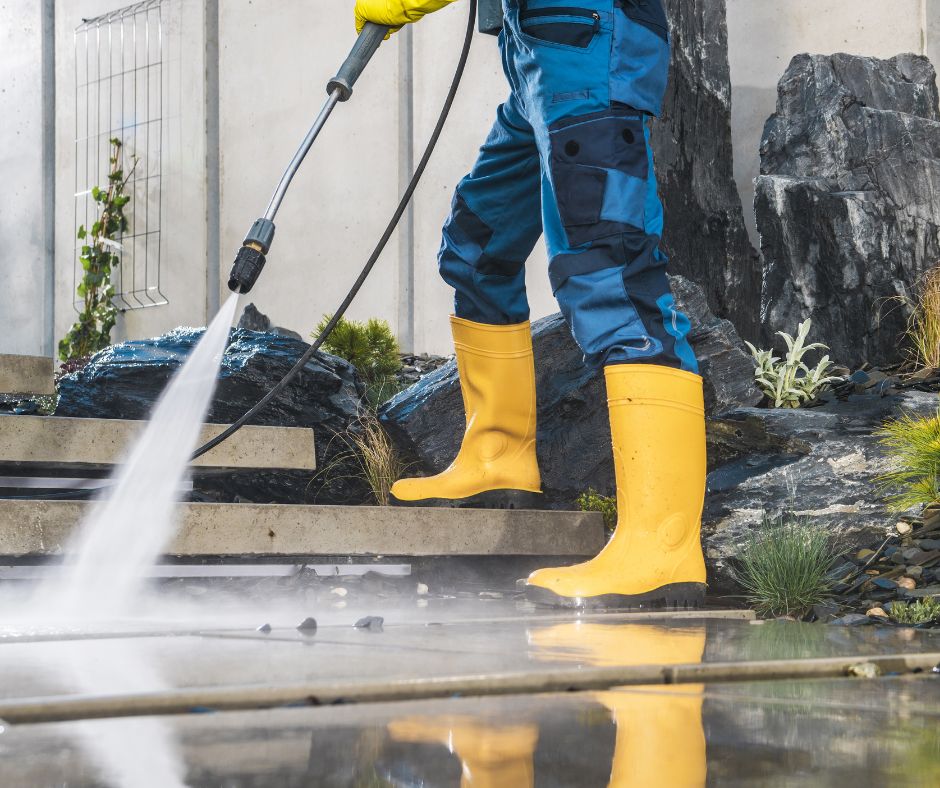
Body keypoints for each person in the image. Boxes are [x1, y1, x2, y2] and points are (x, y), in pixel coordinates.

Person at [354, 0, 706, 609]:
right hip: (535, 57)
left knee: (612, 277)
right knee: (476, 247)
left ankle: (662, 547)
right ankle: (497, 457)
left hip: (588, 47)